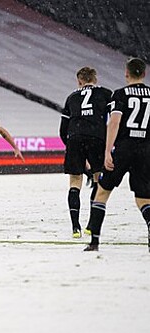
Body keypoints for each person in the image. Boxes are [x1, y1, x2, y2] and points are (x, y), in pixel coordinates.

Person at [85, 58, 150, 252]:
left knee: (102, 192)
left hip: (124, 147)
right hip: (146, 149)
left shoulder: (120, 94)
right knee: (144, 199)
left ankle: (94, 242)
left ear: (126, 74)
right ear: (144, 74)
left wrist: (107, 151)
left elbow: (114, 123)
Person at [59, 67, 112, 238]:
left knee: (75, 182)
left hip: (75, 137)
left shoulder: (72, 97)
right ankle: (91, 225)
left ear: (79, 81)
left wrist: (71, 146)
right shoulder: (106, 93)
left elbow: (62, 129)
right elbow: (113, 119)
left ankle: (75, 227)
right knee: (97, 179)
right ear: (95, 79)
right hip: (97, 138)